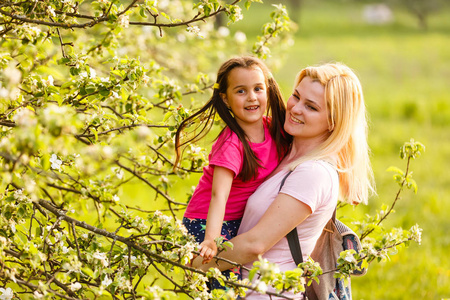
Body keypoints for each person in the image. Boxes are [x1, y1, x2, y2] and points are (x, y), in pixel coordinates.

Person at [192, 62, 375, 298]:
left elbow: (256, 244)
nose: (295, 109)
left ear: (333, 121)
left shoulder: (313, 173)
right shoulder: (284, 153)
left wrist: (194, 265)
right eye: (296, 96)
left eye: (310, 107)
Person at [174, 56, 291, 287]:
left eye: (258, 88)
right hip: (206, 222)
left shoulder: (273, 129)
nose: (251, 97)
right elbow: (219, 196)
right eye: (241, 91)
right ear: (226, 99)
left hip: (238, 221)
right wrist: (210, 239)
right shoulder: (232, 144)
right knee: (225, 289)